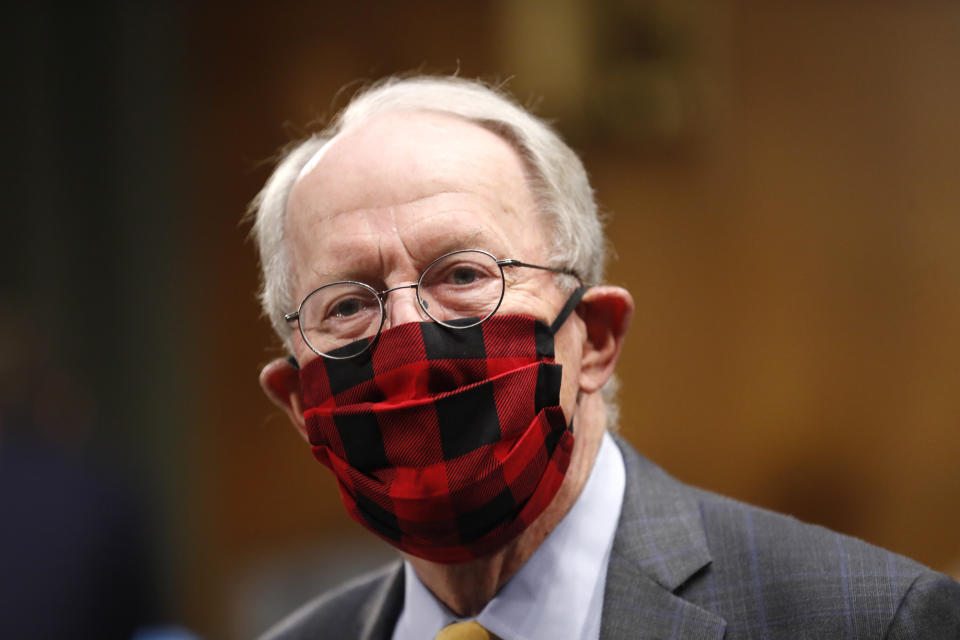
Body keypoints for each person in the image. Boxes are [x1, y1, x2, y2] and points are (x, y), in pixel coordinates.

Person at [250, 76, 960, 639]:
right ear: (300, 405)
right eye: (348, 306)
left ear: (594, 338)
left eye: (464, 275)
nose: (409, 334)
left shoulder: (869, 622)